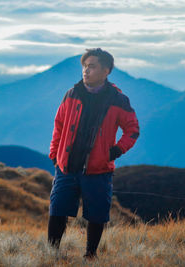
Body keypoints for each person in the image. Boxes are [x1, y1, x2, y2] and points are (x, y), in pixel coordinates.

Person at [48, 48, 139, 259]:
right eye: (84, 66)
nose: (86, 71)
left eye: (92, 66)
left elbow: (133, 130)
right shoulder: (72, 93)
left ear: (106, 71)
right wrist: (54, 154)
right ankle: (51, 252)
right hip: (66, 166)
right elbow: (59, 125)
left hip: (98, 169)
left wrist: (115, 151)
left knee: (97, 215)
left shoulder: (118, 100)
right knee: (57, 210)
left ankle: (90, 255)